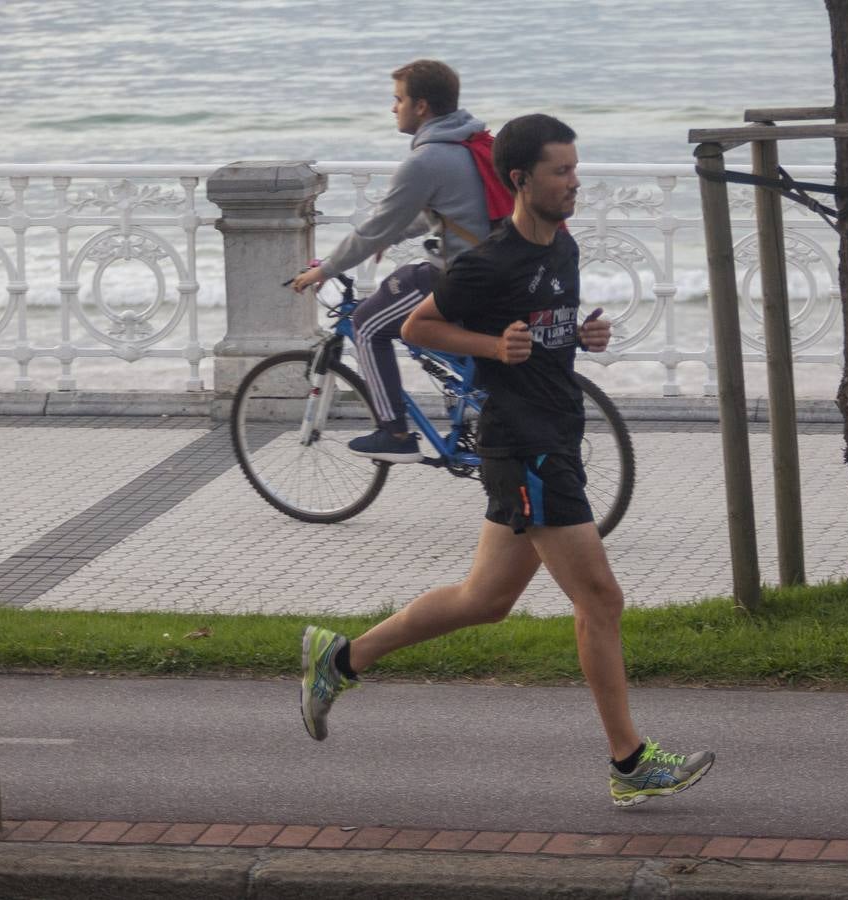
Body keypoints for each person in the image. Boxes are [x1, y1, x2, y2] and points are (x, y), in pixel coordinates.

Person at [299, 114, 715, 808]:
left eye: (576, 168)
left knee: (484, 601)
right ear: (521, 179)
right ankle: (630, 762)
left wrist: (580, 335)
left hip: (555, 431)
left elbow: (543, 330)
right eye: (561, 171)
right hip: (524, 446)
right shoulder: (487, 263)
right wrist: (493, 348)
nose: (575, 182)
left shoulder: (563, 247)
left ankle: (339, 659)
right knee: (600, 598)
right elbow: (418, 326)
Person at [290, 59, 493, 463]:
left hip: (460, 278)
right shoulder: (472, 145)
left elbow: (374, 229)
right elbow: (447, 211)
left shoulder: (425, 161)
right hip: (495, 272)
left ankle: (394, 432)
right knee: (407, 302)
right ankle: (477, 395)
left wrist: (324, 270)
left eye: (398, 99)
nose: (393, 108)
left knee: (366, 323)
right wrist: (393, 234)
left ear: (421, 106)